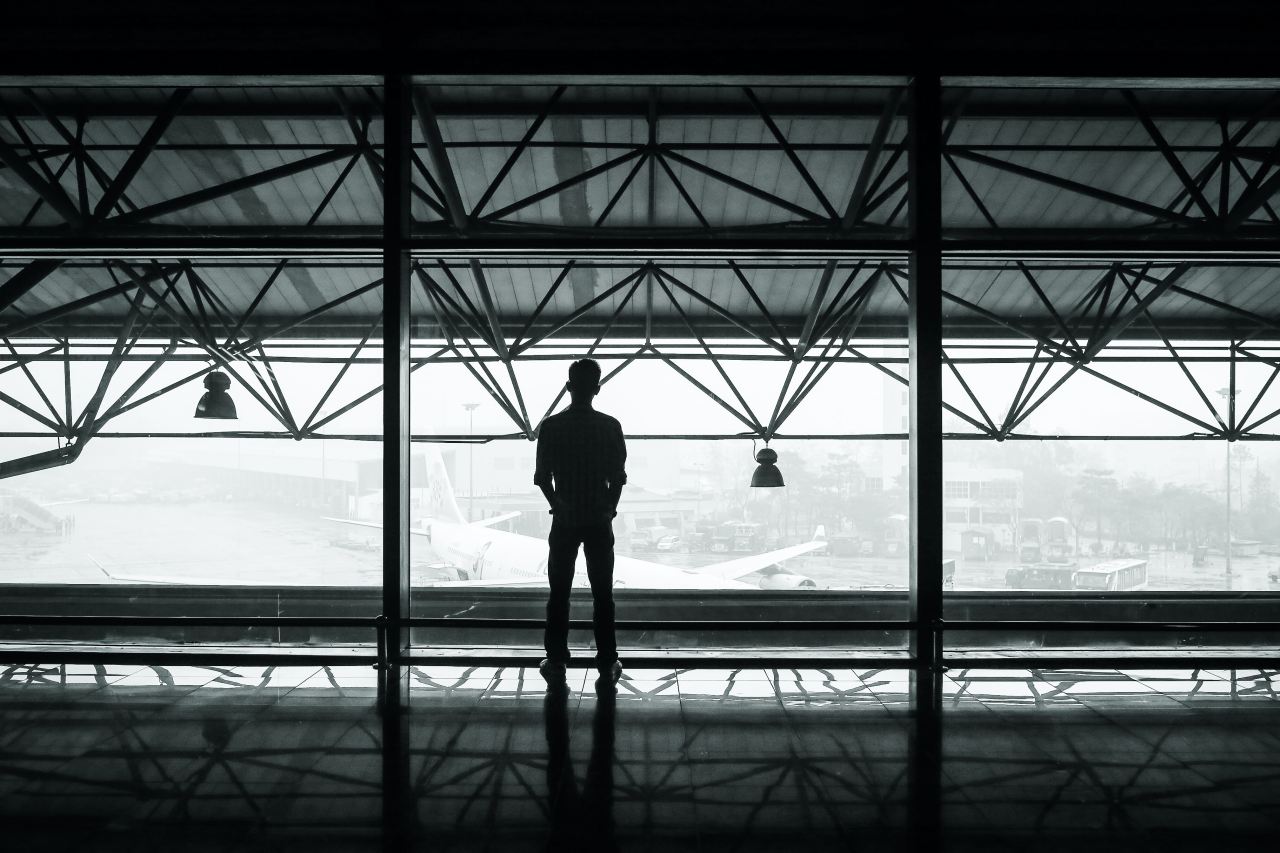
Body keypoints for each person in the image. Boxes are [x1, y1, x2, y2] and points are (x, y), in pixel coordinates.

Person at [533, 358, 626, 686]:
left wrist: (557, 504)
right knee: (603, 593)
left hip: (565, 518)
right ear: (597, 388)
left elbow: (543, 478)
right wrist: (609, 509)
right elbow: (618, 477)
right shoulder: (610, 426)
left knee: (559, 592)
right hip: (599, 519)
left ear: (569, 387)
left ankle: (556, 659)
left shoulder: (552, 427)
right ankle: (607, 660)